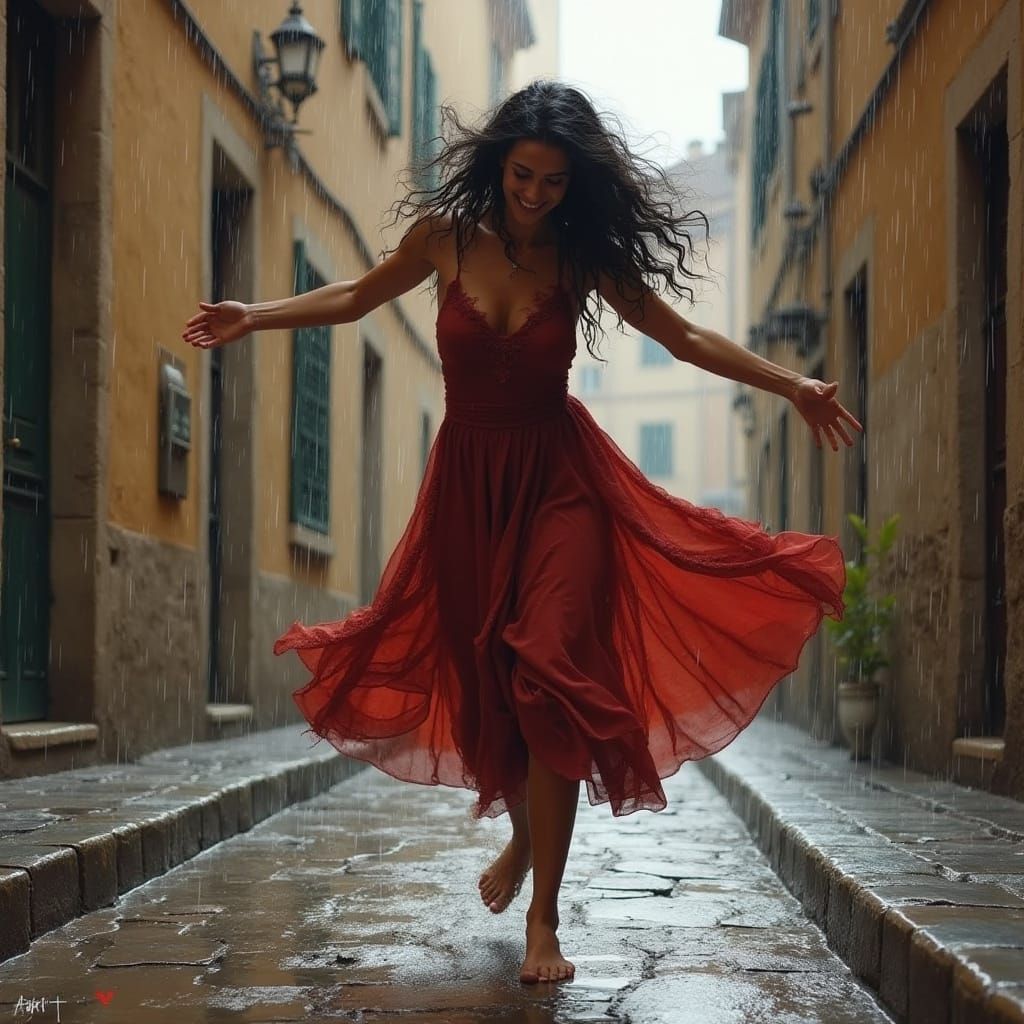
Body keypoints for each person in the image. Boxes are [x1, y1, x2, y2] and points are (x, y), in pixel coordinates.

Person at [182, 80, 861, 986]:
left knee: (548, 665)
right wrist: (255, 314)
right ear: (498, 163)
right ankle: (524, 838)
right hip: (467, 488)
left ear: (575, 185)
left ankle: (544, 919)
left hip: (561, 484)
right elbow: (354, 296)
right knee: (493, 688)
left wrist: (795, 386)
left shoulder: (581, 261)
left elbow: (687, 336)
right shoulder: (445, 238)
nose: (535, 195)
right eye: (522, 175)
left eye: (552, 181)